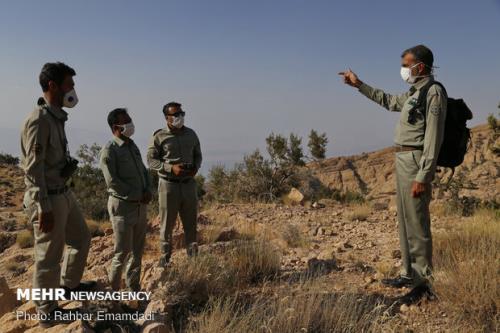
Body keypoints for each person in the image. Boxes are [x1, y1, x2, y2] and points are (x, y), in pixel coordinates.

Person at [339, 45, 447, 304]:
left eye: (407, 64)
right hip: (400, 160)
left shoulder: (433, 93)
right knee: (404, 219)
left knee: (417, 222)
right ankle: (408, 273)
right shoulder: (414, 92)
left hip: (414, 161)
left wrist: (424, 176)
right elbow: (388, 101)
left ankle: (424, 284)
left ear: (420, 66)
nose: (403, 69)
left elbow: (433, 139)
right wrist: (359, 85)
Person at [20, 62, 95, 327]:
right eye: (69, 85)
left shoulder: (56, 117)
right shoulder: (39, 121)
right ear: (52, 86)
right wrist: (43, 207)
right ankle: (47, 310)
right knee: (48, 257)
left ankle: (69, 286)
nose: (73, 90)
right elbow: (32, 168)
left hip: (63, 192)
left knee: (81, 238)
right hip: (48, 197)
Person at [99, 108, 152, 291]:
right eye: (126, 121)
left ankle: (133, 290)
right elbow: (112, 182)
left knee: (137, 253)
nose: (130, 124)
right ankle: (113, 295)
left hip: (139, 206)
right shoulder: (109, 150)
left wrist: (148, 189)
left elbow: (143, 171)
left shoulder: (132, 145)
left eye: (130, 119)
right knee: (122, 253)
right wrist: (135, 194)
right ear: (116, 127)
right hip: (122, 207)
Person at [147, 102, 202, 266]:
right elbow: (150, 160)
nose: (180, 117)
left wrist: (195, 168)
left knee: (191, 223)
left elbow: (198, 155)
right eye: (176, 115)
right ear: (167, 118)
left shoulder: (191, 134)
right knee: (166, 225)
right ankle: (165, 260)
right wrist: (171, 168)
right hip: (168, 186)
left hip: (189, 185)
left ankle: (193, 259)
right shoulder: (159, 137)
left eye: (182, 113)